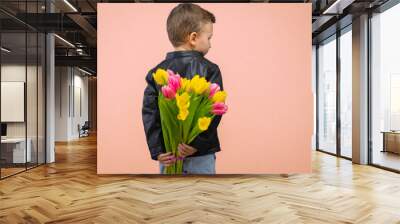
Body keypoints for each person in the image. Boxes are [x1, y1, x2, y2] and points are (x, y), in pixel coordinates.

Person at [141, 3, 224, 174]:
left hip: (168, 154)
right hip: (200, 154)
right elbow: (214, 114)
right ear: (193, 38)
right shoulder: (210, 69)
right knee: (203, 196)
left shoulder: (157, 73)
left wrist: (157, 151)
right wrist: (196, 145)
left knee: (171, 197)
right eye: (209, 38)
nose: (211, 44)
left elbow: (150, 113)